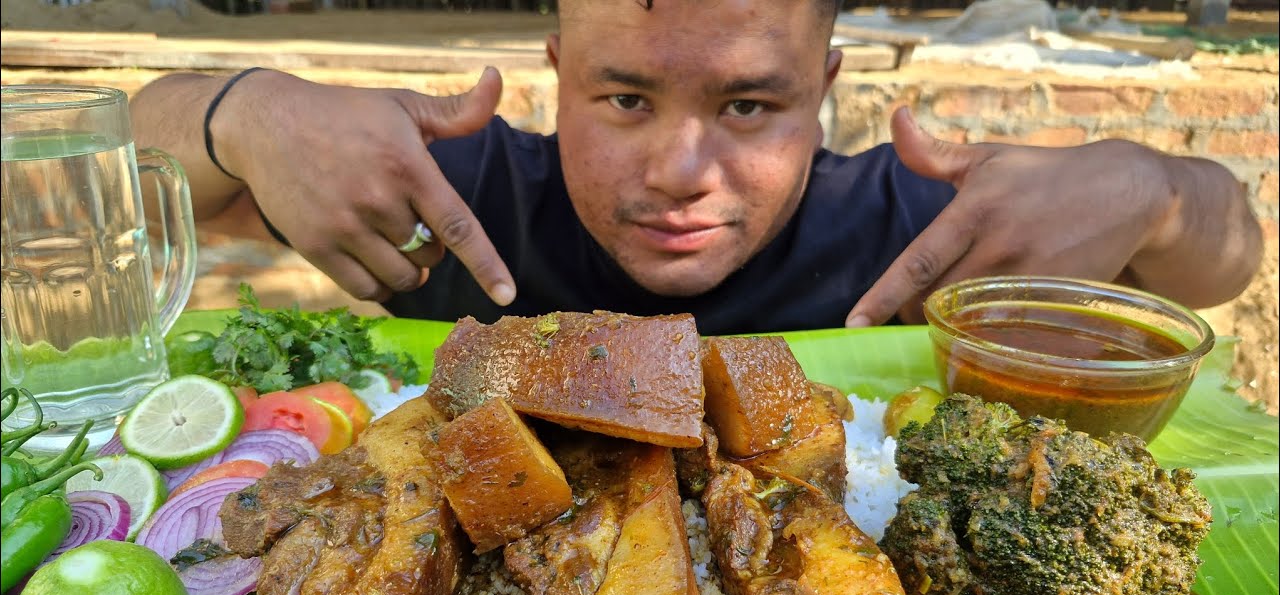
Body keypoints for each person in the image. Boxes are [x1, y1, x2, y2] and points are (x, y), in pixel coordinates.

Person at [128, 0, 1262, 335]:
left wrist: (1162, 192)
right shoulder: (446, 204)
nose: (681, 169)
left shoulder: (922, 229)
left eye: (748, 105)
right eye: (623, 99)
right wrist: (241, 112)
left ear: (823, 89)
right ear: (555, 73)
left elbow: (1223, 264)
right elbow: (93, 186)